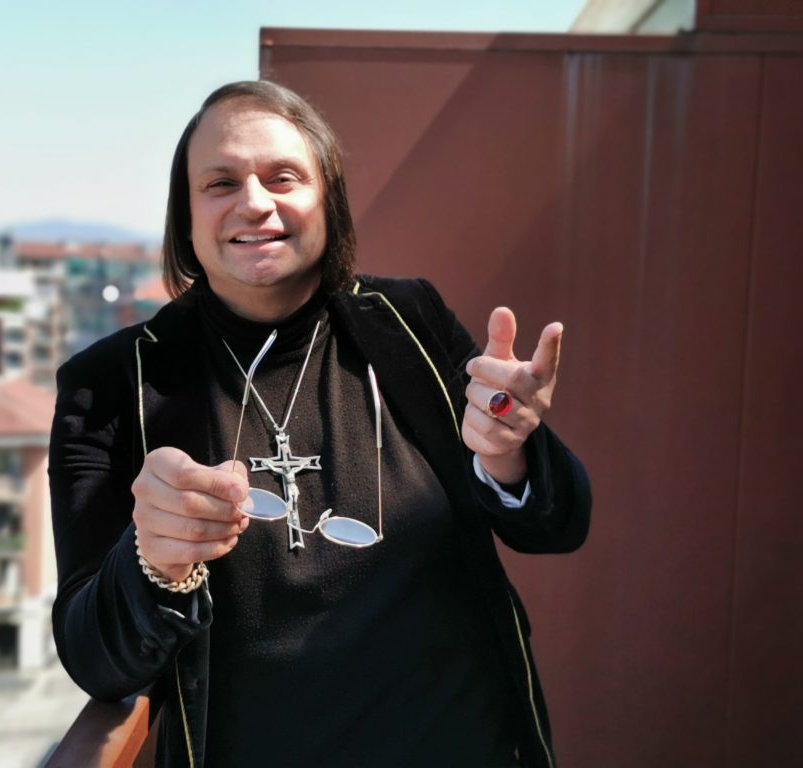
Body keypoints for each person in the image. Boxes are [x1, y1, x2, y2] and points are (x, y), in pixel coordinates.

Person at [49, 80, 591, 768]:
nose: (254, 202)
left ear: (327, 201)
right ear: (184, 220)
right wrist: (151, 563)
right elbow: (94, 660)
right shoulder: (111, 385)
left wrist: (510, 452)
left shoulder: (409, 322)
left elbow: (558, 526)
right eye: (220, 183)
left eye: (284, 177)